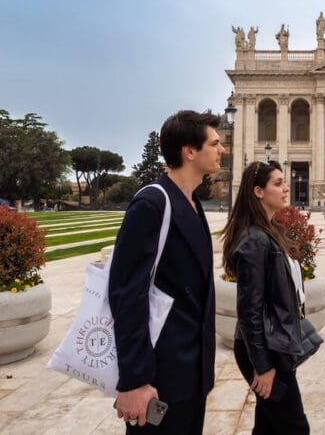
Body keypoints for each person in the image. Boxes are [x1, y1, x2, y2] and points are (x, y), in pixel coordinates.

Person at [109, 110, 224, 434]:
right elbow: (126, 294)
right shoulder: (152, 203)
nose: (222, 149)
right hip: (158, 379)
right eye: (215, 143)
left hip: (190, 374)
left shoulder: (190, 201)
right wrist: (134, 380)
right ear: (189, 151)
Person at [221, 161, 312, 435]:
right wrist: (262, 366)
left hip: (275, 345)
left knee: (269, 426)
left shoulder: (270, 233)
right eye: (278, 183)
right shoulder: (254, 240)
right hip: (264, 350)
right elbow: (249, 309)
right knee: (294, 427)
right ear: (258, 192)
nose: (286, 188)